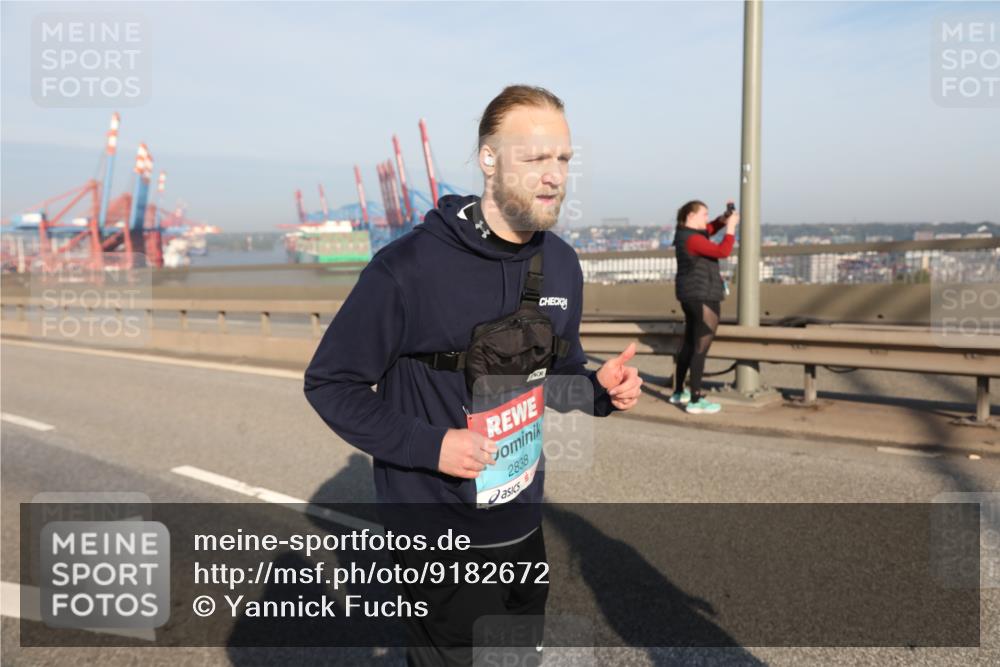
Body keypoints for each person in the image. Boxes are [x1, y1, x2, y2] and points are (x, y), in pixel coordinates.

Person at [303, 84, 642, 665]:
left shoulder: (560, 263)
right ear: (489, 159)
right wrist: (431, 445)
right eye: (535, 158)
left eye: (563, 159)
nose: (554, 175)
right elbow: (330, 383)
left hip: (519, 513)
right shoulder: (408, 269)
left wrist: (598, 391)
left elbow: (556, 373)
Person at [669, 199, 740, 414]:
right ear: (691, 216)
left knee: (690, 343)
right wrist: (731, 228)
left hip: (691, 296)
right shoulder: (692, 239)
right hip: (703, 297)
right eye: (704, 214)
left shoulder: (685, 234)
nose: (707, 219)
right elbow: (722, 251)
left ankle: (679, 391)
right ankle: (695, 399)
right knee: (701, 347)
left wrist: (723, 219)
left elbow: (709, 229)